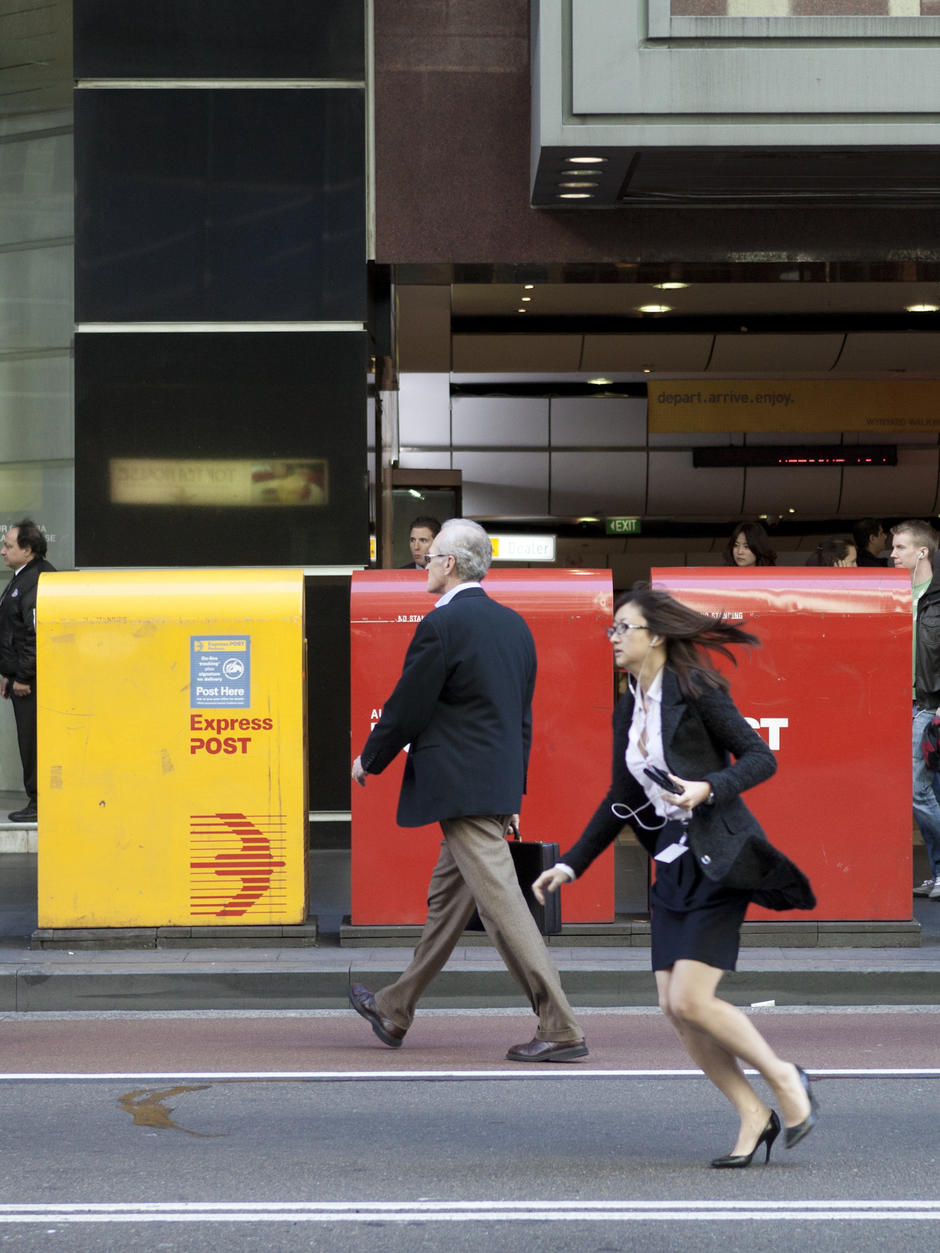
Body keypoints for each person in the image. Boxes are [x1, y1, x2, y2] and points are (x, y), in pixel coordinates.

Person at [532, 584, 818, 1166]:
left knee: (692, 996)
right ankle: (751, 1110)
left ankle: (786, 1079)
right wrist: (571, 863)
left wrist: (708, 787)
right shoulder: (628, 703)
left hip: (717, 852)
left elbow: (761, 757)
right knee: (673, 1003)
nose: (612, 637)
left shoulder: (697, 690)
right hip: (671, 860)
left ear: (655, 635)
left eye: (623, 628)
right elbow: (621, 793)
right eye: (610, 629)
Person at [350, 518, 587, 1062]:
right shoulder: (514, 626)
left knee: (505, 906)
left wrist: (371, 759)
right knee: (448, 904)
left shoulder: (442, 626)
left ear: (450, 563)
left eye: (430, 556)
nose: (424, 565)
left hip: (458, 790)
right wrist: (512, 799)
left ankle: (561, 1026)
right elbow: (517, 721)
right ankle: (394, 1007)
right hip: (492, 787)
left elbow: (408, 705)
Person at [889, 521, 940, 901]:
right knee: (924, 792)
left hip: (929, 704)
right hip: (897, 703)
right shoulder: (892, 594)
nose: (892, 554)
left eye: (900, 547)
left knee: (917, 791)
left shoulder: (937, 598)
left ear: (922, 552)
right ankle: (939, 873)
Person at [0, 520, 55, 823]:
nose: (2, 551)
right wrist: (9, 674)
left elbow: (36, 634)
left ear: (28, 549)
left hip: (32, 684)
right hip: (21, 679)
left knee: (33, 740)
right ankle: (36, 799)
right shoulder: (23, 578)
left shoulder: (38, 580)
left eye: (8, 546)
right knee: (27, 739)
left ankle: (39, 802)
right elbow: (15, 632)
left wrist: (23, 676)